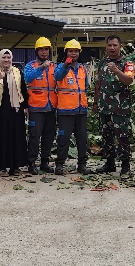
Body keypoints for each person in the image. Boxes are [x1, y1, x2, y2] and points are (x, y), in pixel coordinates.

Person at [93, 35, 135, 178]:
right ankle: (109, 163)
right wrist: (95, 102)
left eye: (115, 45)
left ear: (120, 46)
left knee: (122, 136)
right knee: (106, 136)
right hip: (104, 107)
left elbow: (129, 80)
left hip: (120, 108)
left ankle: (125, 166)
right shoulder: (103, 62)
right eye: (109, 45)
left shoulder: (127, 62)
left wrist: (117, 71)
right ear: (106, 47)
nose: (112, 48)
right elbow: (98, 83)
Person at [0, 49, 30, 176]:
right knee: (2, 138)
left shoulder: (17, 72)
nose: (6, 60)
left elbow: (23, 89)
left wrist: (26, 106)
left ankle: (15, 166)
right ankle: (2, 167)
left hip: (16, 110)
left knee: (16, 137)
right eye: (4, 57)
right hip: (0, 111)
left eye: (8, 57)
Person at [53, 39, 90, 176]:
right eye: (70, 51)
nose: (73, 54)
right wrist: (65, 65)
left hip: (81, 110)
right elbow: (57, 77)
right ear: (66, 52)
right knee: (63, 138)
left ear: (79, 53)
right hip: (66, 110)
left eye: (75, 51)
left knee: (82, 139)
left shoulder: (82, 68)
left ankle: (82, 165)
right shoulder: (60, 67)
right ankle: (60, 165)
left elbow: (85, 86)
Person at [23, 37, 58, 174]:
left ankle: (45, 162)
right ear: (36, 51)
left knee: (49, 136)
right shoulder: (30, 66)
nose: (44, 52)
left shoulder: (54, 66)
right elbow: (27, 78)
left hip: (51, 107)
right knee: (34, 136)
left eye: (46, 49)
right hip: (36, 107)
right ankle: (31, 163)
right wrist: (41, 67)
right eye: (41, 49)